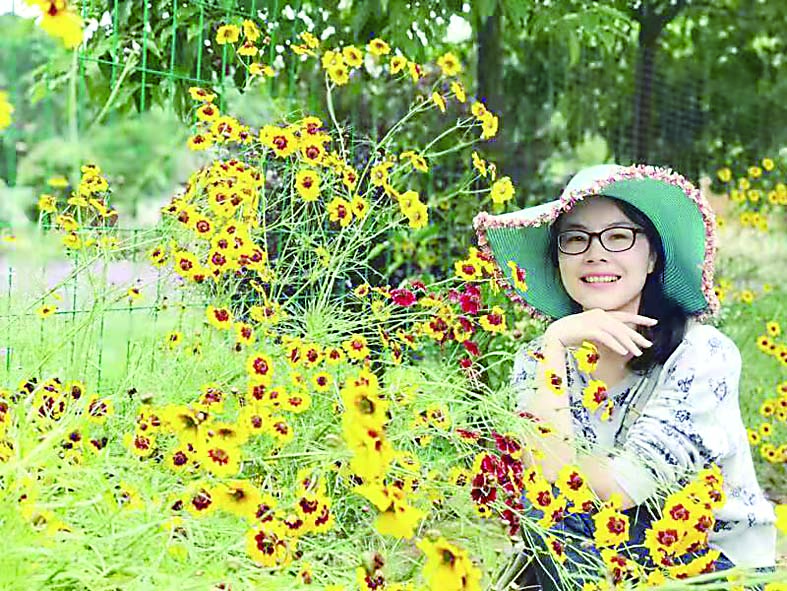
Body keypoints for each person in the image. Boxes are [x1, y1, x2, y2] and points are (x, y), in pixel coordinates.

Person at [473, 164, 777, 590]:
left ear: (651, 257)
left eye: (619, 236)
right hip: (596, 554)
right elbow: (540, 485)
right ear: (558, 259)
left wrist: (560, 476)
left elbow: (620, 489)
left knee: (559, 512)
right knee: (548, 513)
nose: (595, 253)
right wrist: (555, 343)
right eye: (575, 239)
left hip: (714, 566)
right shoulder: (541, 358)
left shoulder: (701, 353)